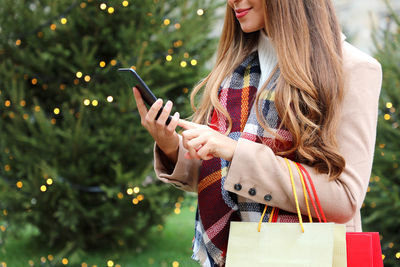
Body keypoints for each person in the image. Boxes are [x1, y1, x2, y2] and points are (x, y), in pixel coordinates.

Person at [132, 0, 382, 266]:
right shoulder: (234, 68)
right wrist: (170, 145)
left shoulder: (351, 69)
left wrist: (236, 151)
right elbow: (227, 179)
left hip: (308, 256)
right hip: (238, 257)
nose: (232, 2)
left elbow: (345, 198)